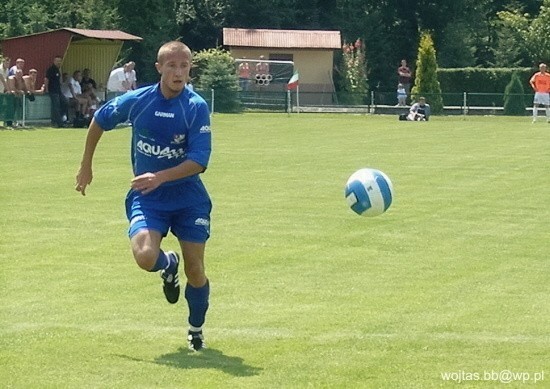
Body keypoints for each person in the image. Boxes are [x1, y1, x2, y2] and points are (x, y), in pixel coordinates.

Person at [75, 41, 212, 352]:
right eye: (172, 66)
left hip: (189, 197)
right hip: (148, 197)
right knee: (144, 256)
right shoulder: (139, 100)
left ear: (190, 68)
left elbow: (199, 161)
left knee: (196, 270)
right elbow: (100, 119)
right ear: (159, 68)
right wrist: (86, 166)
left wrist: (160, 176)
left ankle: (195, 329)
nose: (179, 72)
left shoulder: (196, 106)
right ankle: (167, 263)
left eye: (184, 66)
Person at [45, 55, 68, 127]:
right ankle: (59, 123)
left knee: (65, 102)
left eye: (60, 61)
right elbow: (46, 79)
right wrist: (46, 89)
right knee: (56, 106)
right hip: (53, 91)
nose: (59, 63)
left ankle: (61, 118)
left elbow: (60, 81)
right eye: (57, 61)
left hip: (58, 91)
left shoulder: (58, 69)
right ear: (54, 61)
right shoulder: (51, 69)